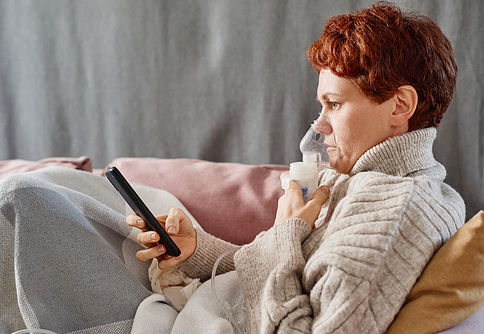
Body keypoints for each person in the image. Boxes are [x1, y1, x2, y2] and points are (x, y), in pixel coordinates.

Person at [128, 2, 465, 333]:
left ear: (400, 106)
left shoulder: (393, 211)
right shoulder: (358, 182)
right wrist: (197, 250)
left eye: (334, 104)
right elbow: (283, 277)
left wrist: (284, 231)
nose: (319, 125)